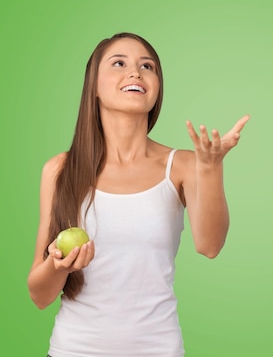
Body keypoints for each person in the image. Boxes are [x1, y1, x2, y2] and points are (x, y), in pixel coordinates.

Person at [27, 32, 249, 357]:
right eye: (119, 63)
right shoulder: (60, 170)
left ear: (156, 89)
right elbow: (40, 296)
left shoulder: (183, 165)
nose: (136, 72)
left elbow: (210, 246)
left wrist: (211, 167)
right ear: (94, 87)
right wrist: (59, 267)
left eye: (147, 66)